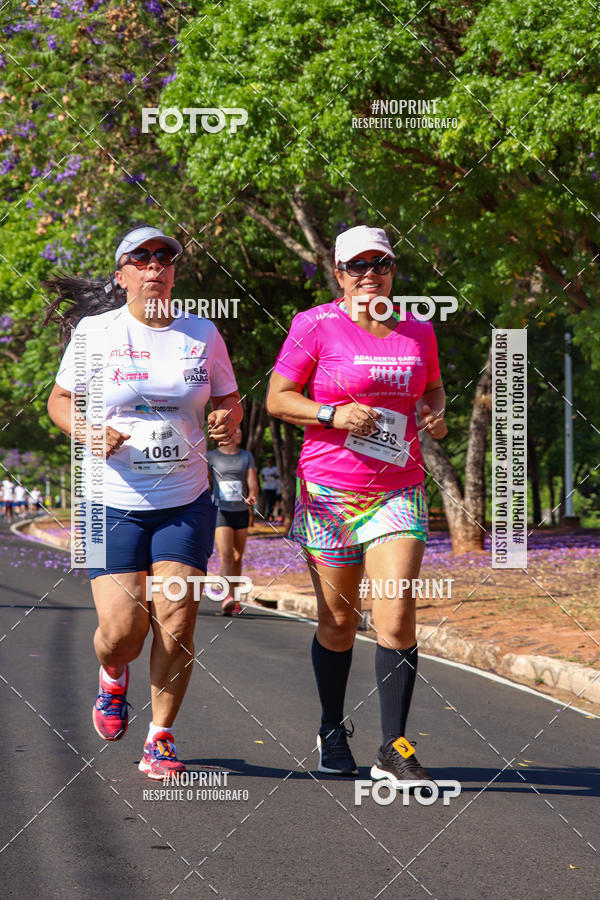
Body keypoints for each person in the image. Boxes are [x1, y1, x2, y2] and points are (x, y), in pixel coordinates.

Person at [46, 222, 242, 779]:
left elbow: (227, 397)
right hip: (108, 500)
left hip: (185, 498)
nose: (155, 265)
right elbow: (60, 403)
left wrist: (229, 420)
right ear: (122, 275)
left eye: (165, 257)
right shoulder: (95, 333)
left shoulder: (202, 335)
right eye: (142, 258)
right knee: (122, 631)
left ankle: (160, 737)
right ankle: (112, 675)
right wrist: (85, 430)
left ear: (173, 272)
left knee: (177, 619)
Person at [267, 225, 447, 788]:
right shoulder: (314, 325)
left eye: (382, 263)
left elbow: (433, 388)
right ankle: (330, 728)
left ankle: (394, 746)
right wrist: (332, 415)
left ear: (394, 269)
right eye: (358, 265)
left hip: (398, 489)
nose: (371, 273)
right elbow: (277, 398)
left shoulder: (418, 330)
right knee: (339, 621)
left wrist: (436, 412)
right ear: (339, 274)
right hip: (328, 495)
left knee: (395, 611)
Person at [207, 426, 258, 615]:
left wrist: (252, 495)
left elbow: (252, 482)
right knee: (227, 554)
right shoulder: (211, 456)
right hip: (221, 510)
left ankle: (234, 600)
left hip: (241, 511)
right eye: (235, 430)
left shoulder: (246, 456)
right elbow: (205, 481)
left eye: (240, 431)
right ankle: (226, 596)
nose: (239, 433)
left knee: (238, 557)